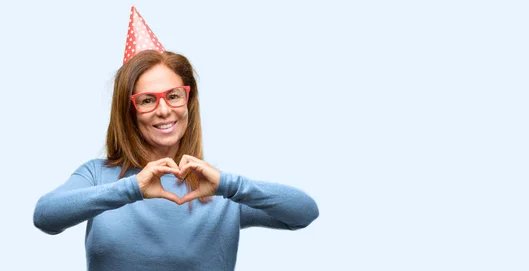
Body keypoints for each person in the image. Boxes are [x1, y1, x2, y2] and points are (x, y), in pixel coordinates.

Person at [33, 6, 318, 271]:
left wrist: (229, 185)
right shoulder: (98, 176)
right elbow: (46, 217)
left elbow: (304, 213)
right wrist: (131, 188)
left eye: (173, 96)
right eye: (147, 100)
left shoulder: (215, 189)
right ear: (128, 111)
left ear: (188, 101)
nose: (164, 110)